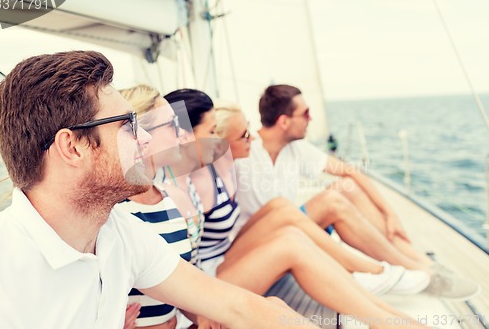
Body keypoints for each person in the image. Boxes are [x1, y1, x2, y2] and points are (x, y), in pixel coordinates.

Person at [0, 51, 321, 329]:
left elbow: (238, 307)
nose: (146, 138)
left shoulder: (118, 233)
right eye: (128, 126)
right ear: (73, 148)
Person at [163, 89, 432, 329]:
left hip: (219, 262)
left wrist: (390, 214)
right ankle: (378, 288)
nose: (251, 139)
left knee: (286, 212)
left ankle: (384, 293)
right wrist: (197, 314)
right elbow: (174, 269)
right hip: (207, 284)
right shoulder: (185, 185)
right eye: (241, 135)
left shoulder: (206, 174)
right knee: (291, 241)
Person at [233, 84, 480, 300]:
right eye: (306, 113)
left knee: (346, 188)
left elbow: (351, 172)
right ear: (284, 121)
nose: (311, 119)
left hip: (289, 225)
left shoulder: (295, 149)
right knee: (331, 201)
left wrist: (390, 213)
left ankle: (421, 263)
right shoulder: (242, 151)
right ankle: (417, 272)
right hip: (257, 241)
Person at [116, 84, 202, 329]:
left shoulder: (172, 198)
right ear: (141, 133)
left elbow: (184, 286)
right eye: (173, 125)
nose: (182, 135)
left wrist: (205, 315)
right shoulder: (113, 212)